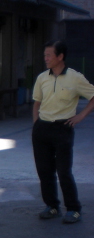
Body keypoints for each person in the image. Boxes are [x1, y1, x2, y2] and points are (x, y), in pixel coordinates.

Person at [32, 40, 94, 224]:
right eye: (45, 55)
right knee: (44, 170)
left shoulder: (75, 78)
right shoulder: (42, 77)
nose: (46, 58)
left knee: (63, 171)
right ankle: (52, 206)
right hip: (42, 129)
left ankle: (74, 209)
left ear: (60, 57)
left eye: (49, 55)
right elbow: (37, 102)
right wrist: (36, 123)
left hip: (63, 129)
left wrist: (80, 116)